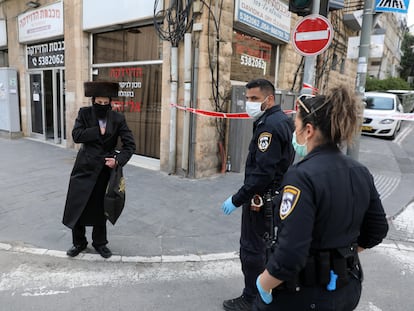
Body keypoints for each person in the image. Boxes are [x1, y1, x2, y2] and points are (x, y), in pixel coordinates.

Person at [253, 86, 389, 310]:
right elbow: (376, 229)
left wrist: (263, 284)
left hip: (304, 295)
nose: (294, 133)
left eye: (296, 126)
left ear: (309, 130)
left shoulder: (300, 177)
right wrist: (340, 254)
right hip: (347, 288)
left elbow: (290, 255)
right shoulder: (360, 171)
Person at [221, 78, 295, 311]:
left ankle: (251, 297)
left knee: (252, 249)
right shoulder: (282, 120)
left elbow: (261, 174)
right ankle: (266, 293)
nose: (249, 103)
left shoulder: (269, 127)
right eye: (248, 98)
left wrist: (236, 199)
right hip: (276, 197)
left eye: (254, 99)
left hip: (262, 201)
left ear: (269, 98)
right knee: (268, 247)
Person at [62, 81, 136, 259]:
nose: (102, 106)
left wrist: (117, 160)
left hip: (104, 170)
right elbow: (76, 135)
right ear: (93, 100)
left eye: (105, 103)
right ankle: (78, 243)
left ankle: (100, 243)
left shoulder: (118, 118)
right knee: (78, 206)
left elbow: (130, 145)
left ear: (110, 102)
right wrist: (97, 130)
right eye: (99, 102)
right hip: (84, 167)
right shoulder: (84, 113)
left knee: (101, 208)